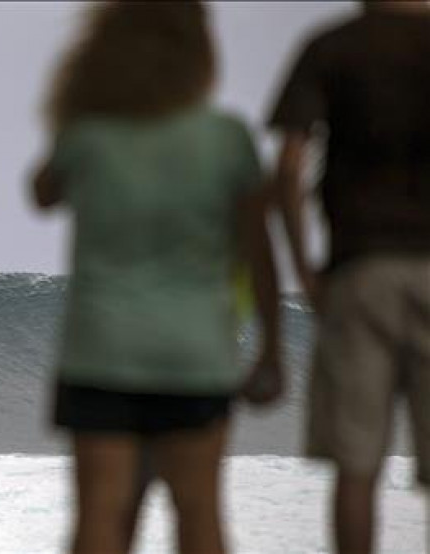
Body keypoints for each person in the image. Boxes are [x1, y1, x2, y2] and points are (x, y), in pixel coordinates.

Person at [30, 3, 281, 553]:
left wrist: (81, 97)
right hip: (195, 352)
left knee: (101, 514)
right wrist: (273, 351)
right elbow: (260, 253)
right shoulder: (227, 138)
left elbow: (43, 191)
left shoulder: (91, 133)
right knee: (199, 513)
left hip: (102, 350)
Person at [268, 3, 429, 553]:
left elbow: (289, 165)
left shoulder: (333, 46)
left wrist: (304, 268)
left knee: (357, 467)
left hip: (360, 269)